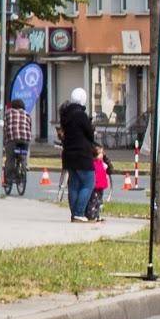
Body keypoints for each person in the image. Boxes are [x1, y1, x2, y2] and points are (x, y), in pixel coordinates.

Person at [59, 87, 97, 222]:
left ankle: (74, 213)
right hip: (82, 154)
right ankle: (79, 213)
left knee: (74, 184)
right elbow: (89, 134)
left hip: (69, 154)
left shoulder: (65, 114)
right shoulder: (81, 115)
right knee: (89, 182)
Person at [1, 99, 31, 192]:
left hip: (12, 139)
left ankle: (8, 180)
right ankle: (24, 164)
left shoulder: (8, 113)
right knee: (24, 153)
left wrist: (4, 142)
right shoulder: (27, 114)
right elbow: (29, 127)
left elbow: (4, 128)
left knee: (10, 159)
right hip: (25, 139)